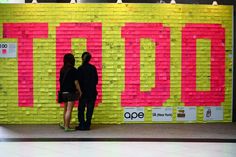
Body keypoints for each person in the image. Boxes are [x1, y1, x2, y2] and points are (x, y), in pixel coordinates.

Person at [59, 53, 82, 132]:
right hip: (71, 92)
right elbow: (76, 82)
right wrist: (80, 91)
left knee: (65, 109)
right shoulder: (73, 70)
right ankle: (67, 127)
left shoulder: (62, 69)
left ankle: (65, 124)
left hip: (63, 92)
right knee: (69, 110)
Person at [76, 52, 98, 130]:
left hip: (83, 92)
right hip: (92, 92)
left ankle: (81, 124)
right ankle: (88, 124)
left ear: (82, 58)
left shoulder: (80, 69)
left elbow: (77, 81)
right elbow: (96, 81)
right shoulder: (93, 68)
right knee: (90, 108)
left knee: (81, 109)